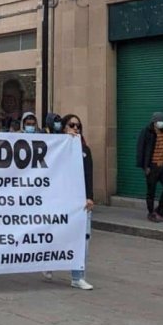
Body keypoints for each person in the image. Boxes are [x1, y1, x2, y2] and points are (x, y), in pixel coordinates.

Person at [43, 114, 95, 290]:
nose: (76, 128)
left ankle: (77, 276)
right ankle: (47, 263)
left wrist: (90, 197)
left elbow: (89, 175)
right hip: (60, 199)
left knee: (83, 239)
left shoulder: (85, 150)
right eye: (72, 125)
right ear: (64, 127)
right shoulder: (57, 147)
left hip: (80, 201)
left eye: (78, 126)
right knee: (56, 234)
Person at [136, 112, 163, 223]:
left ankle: (160, 209)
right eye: (158, 121)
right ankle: (151, 212)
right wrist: (144, 166)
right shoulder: (147, 132)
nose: (161, 123)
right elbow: (141, 148)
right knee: (151, 191)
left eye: (162, 120)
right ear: (154, 121)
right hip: (152, 166)